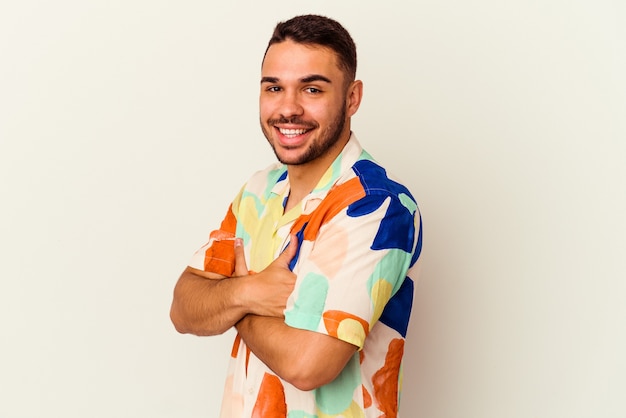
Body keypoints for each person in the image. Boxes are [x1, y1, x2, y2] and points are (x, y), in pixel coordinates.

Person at [170, 14, 422, 417]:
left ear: (352, 97)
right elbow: (183, 308)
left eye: (312, 88)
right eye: (274, 87)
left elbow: (308, 365)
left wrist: (230, 302)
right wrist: (250, 292)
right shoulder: (258, 190)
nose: (288, 108)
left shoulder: (377, 207)